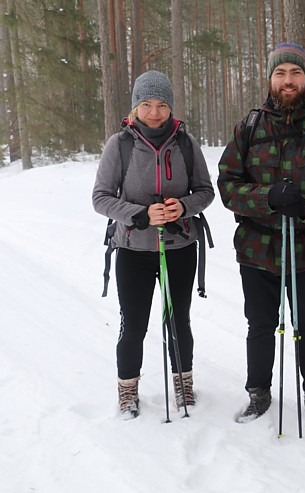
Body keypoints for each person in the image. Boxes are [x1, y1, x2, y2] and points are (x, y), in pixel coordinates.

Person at [217, 43, 305, 426]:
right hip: (258, 248)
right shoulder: (250, 126)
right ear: (270, 80)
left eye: (294, 73)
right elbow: (228, 185)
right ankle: (258, 393)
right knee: (260, 325)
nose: (287, 81)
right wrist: (267, 198)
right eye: (280, 74)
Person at [93, 70, 215, 419]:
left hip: (179, 247)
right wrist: (140, 214)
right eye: (146, 104)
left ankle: (183, 383)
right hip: (133, 249)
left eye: (162, 104)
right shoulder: (120, 145)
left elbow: (206, 191)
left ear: (171, 107)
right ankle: (128, 389)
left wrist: (184, 206)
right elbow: (100, 198)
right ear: (135, 107)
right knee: (133, 323)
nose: (155, 112)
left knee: (179, 321)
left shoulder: (186, 144)